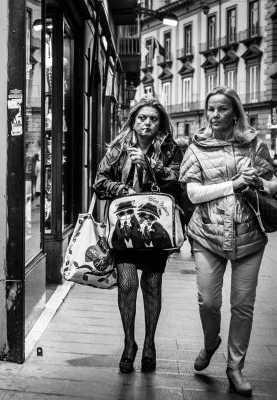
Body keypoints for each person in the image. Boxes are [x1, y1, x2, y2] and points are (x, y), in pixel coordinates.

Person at [179, 86, 277, 397]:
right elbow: (193, 194)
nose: (215, 115)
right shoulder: (197, 147)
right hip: (207, 233)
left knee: (243, 305)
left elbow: (273, 184)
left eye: (222, 109)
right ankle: (211, 343)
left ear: (235, 112)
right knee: (208, 301)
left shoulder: (254, 144)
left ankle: (235, 367)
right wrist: (233, 184)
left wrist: (258, 181)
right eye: (211, 109)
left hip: (249, 234)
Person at [93, 97, 183, 373]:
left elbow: (178, 183)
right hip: (124, 229)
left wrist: (150, 165)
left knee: (152, 285)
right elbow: (99, 183)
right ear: (133, 119)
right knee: (128, 284)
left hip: (156, 231)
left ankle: (150, 343)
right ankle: (129, 342)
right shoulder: (118, 148)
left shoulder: (169, 149)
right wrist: (124, 191)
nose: (147, 123)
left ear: (160, 123)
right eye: (142, 117)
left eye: (153, 119)